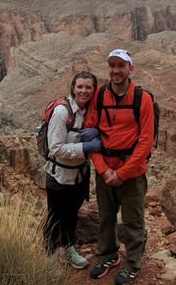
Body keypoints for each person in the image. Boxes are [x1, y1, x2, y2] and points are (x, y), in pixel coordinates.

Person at [87, 49, 155, 285]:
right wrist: (104, 170)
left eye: (121, 66)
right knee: (105, 217)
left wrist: (122, 173)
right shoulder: (99, 96)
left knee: (133, 221)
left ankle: (132, 263)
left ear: (130, 69)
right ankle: (107, 256)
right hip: (105, 171)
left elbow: (146, 140)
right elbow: (91, 135)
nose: (116, 70)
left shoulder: (142, 98)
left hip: (132, 173)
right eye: (112, 65)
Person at [43, 70, 102, 269]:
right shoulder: (62, 112)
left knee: (71, 215)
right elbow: (55, 148)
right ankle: (49, 256)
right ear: (73, 88)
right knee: (55, 216)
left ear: (94, 90)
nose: (84, 91)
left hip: (80, 175)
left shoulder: (90, 111)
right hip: (59, 176)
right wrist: (85, 147)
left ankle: (68, 248)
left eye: (88, 87)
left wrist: (97, 132)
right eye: (80, 87)